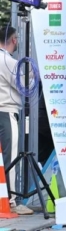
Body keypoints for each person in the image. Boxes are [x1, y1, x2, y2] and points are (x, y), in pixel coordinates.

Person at [0, 27, 32, 215]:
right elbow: (25, 84)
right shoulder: (7, 60)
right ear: (13, 40)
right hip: (6, 111)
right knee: (9, 158)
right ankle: (11, 201)